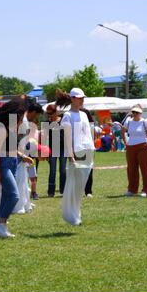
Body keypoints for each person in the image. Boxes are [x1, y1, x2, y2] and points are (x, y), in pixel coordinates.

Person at [0, 100, 33, 238]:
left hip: (13, 162)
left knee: (6, 195)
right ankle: (0, 223)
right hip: (3, 164)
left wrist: (22, 156)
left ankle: (1, 225)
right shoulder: (3, 129)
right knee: (14, 196)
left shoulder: (11, 130)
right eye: (21, 118)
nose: (22, 121)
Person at [57, 88, 95, 226]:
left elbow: (88, 135)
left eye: (83, 98)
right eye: (79, 98)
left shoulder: (84, 114)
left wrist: (91, 150)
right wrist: (70, 154)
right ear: (72, 99)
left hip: (87, 151)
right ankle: (70, 214)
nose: (82, 100)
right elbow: (67, 137)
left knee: (81, 186)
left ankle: (76, 213)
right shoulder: (67, 116)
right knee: (74, 185)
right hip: (77, 153)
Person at [121, 105, 147, 197]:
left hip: (143, 146)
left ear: (141, 113)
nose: (135, 114)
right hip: (130, 147)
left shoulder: (145, 121)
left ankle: (146, 190)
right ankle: (132, 190)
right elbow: (122, 131)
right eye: (133, 112)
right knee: (131, 169)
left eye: (137, 112)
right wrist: (126, 142)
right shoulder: (128, 121)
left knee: (144, 169)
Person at [20, 103, 44, 201]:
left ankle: (26, 200)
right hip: (21, 154)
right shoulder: (23, 120)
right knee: (22, 177)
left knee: (28, 176)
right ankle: (22, 201)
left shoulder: (24, 120)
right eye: (37, 115)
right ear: (33, 112)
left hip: (25, 153)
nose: (36, 118)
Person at [44, 104, 66, 198]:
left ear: (56, 112)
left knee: (63, 170)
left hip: (63, 148)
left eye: (51, 113)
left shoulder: (63, 120)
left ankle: (63, 190)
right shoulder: (46, 123)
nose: (50, 115)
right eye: (48, 113)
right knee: (52, 170)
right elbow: (44, 139)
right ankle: (51, 192)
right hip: (52, 149)